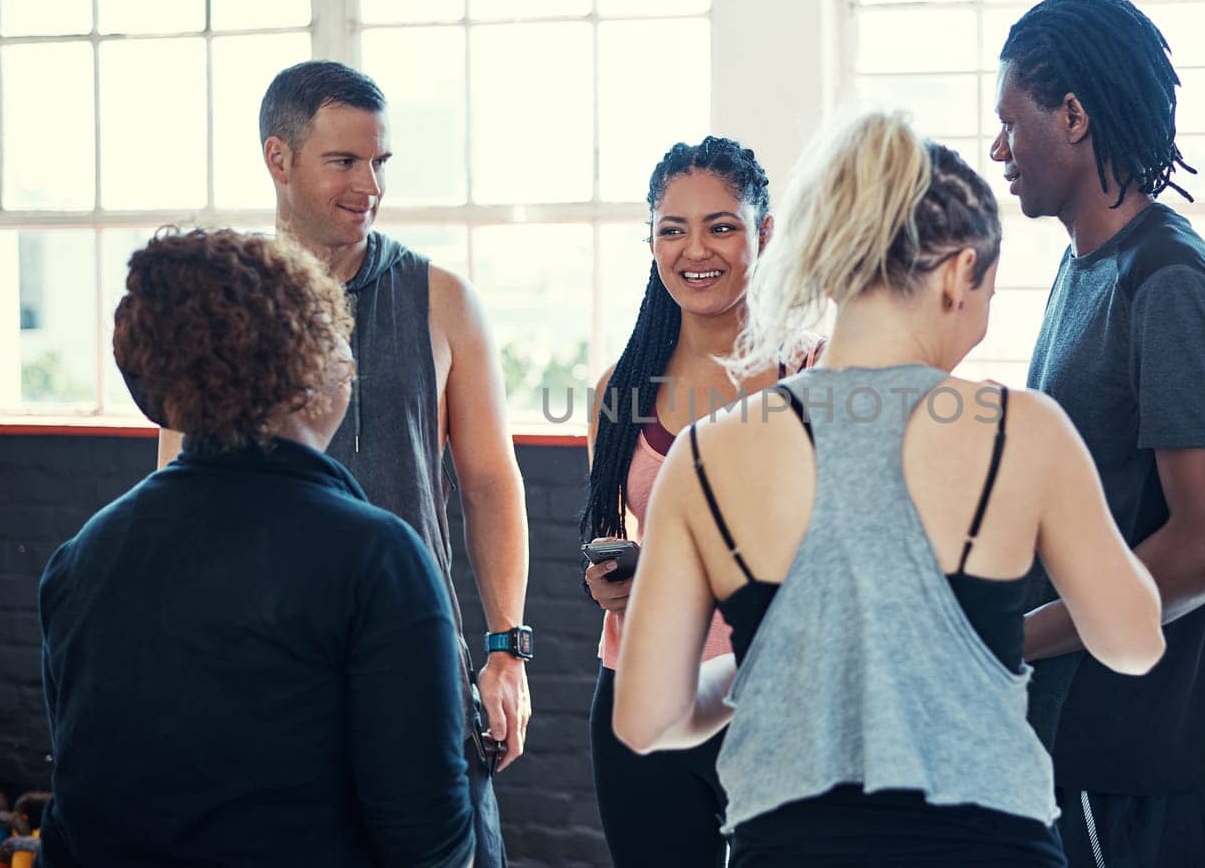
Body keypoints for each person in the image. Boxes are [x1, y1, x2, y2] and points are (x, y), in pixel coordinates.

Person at [611, 111, 1166, 867]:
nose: (978, 321)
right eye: (989, 293)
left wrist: (761, 661)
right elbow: (1134, 643)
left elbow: (647, 719)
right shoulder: (1021, 429)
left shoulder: (707, 453)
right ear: (959, 274)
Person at [155, 61, 529, 868]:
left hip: (417, 666)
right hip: (259, 671)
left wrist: (507, 649)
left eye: (379, 163)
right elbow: (171, 494)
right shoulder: (224, 306)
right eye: (344, 162)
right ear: (278, 158)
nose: (370, 185)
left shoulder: (443, 299)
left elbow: (491, 481)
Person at [40, 228, 474, 867]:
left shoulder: (82, 558)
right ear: (308, 371)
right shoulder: (376, 560)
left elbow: (80, 809)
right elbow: (429, 847)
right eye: (338, 344)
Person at [989, 0, 1205, 867]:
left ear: (1072, 116)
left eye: (1010, 122)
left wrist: (1015, 638)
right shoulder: (1083, 269)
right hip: (1063, 745)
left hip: (1124, 768)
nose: (998, 150)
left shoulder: (1167, 279)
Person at [579, 137, 816, 867]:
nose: (694, 250)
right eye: (672, 229)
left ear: (764, 233)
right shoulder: (620, 391)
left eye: (721, 225)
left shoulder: (816, 370)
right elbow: (626, 536)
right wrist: (611, 583)